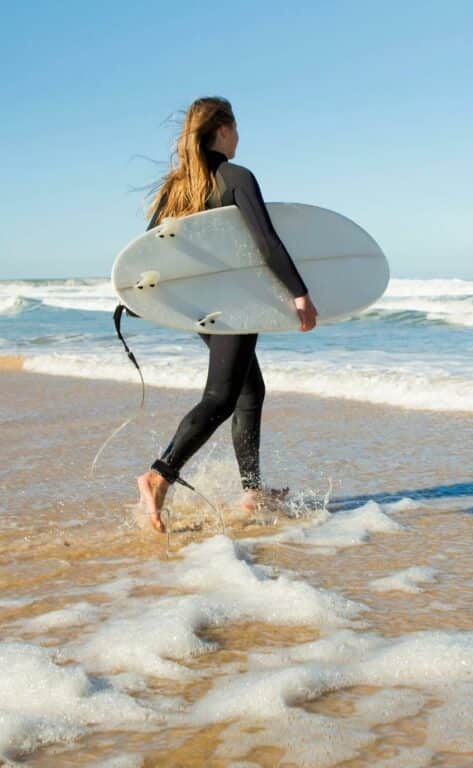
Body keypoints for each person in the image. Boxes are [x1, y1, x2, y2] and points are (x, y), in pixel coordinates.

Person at [136, 96, 317, 533]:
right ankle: (159, 475)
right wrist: (299, 293)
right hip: (237, 303)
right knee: (220, 397)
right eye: (236, 129)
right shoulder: (237, 177)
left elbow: (150, 249)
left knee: (250, 390)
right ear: (222, 129)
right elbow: (266, 242)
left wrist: (145, 299)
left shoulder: (178, 186)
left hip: (202, 308)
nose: (239, 137)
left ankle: (252, 491)